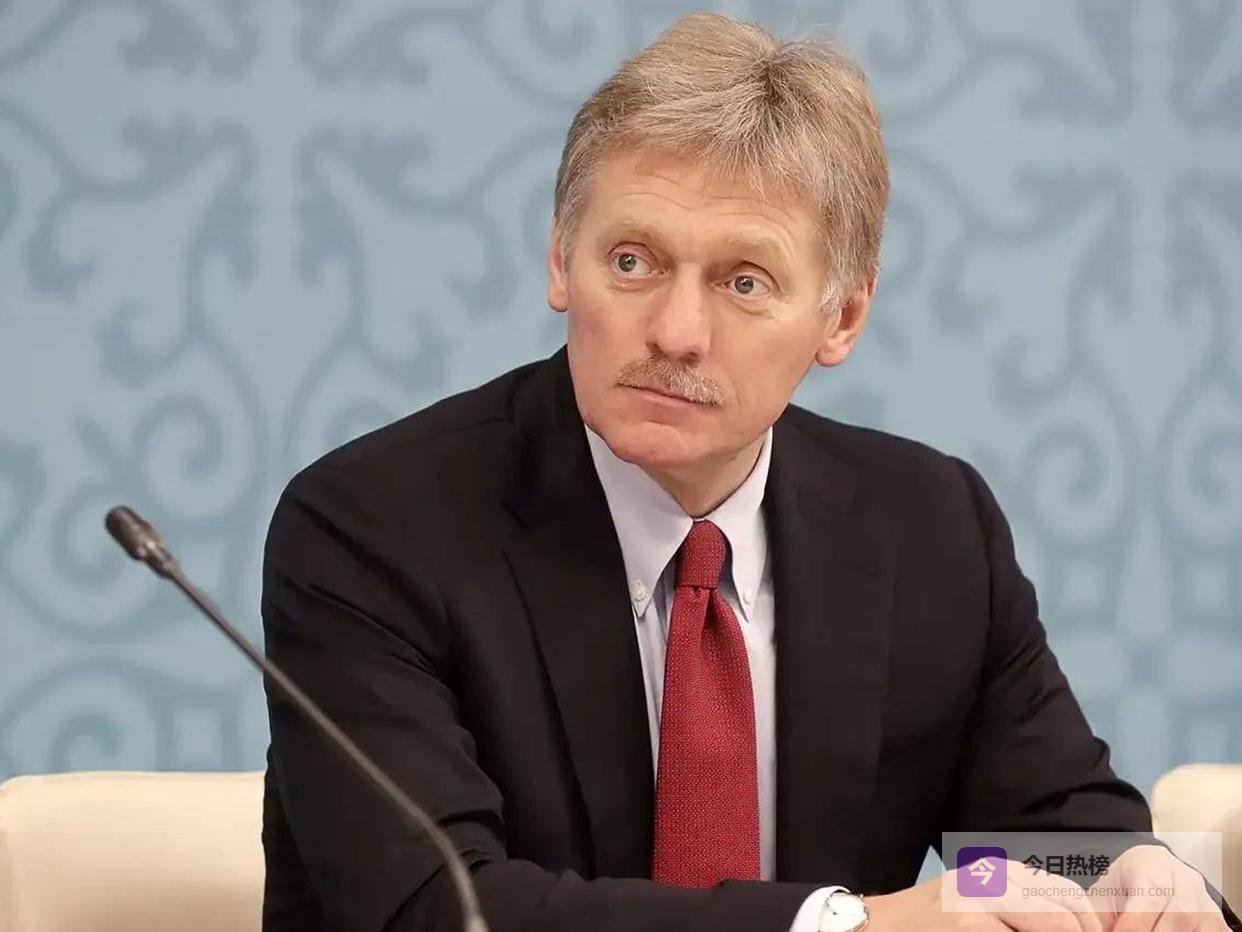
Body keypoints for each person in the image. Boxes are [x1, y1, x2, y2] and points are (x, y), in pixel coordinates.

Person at [259, 12, 1235, 932]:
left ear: (842, 318)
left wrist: (1128, 875)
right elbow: (442, 906)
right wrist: (848, 923)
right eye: (633, 261)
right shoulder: (374, 527)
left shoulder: (930, 528)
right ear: (560, 260)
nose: (676, 332)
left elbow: (1042, 846)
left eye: (743, 282)